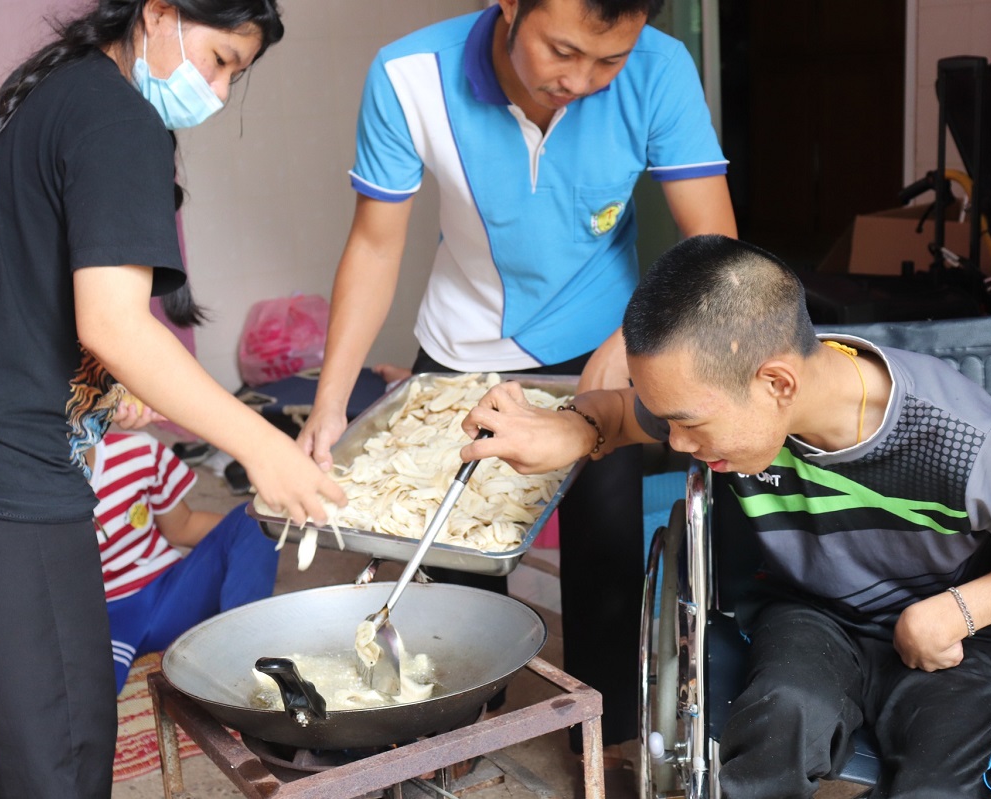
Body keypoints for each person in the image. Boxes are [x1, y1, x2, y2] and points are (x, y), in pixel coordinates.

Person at [459, 234, 991, 797]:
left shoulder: (963, 440)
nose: (676, 443)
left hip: (947, 623)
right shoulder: (728, 388)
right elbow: (619, 414)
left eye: (688, 424)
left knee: (940, 782)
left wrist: (957, 612)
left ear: (777, 384)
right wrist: (570, 427)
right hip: (811, 611)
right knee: (781, 723)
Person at [296, 0, 737, 764]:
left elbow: (713, 243)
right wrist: (330, 402)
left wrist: (633, 338)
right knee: (458, 569)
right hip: (462, 347)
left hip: (602, 347)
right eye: (562, 51)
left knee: (603, 568)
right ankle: (462, 728)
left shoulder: (661, 69)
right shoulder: (410, 76)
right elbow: (374, 246)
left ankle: (605, 743)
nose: (583, 80)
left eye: (609, 60)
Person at [0, 2, 342, 796]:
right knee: (65, 762)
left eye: (236, 76)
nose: (219, 93)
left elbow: (22, 292)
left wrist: (94, 393)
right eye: (219, 60)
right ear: (158, 14)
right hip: (1, 480)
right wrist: (262, 444)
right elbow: (115, 323)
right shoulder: (116, 115)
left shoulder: (54, 88)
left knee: (59, 735)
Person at [0, 430, 278, 697]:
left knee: (256, 516)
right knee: (77, 696)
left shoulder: (138, 452)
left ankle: (250, 657)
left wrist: (248, 538)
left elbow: (183, 527)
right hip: (99, 620)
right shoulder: (14, 491)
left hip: (173, 592)